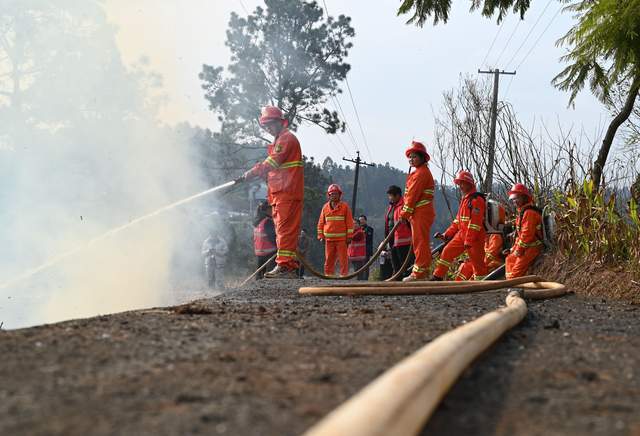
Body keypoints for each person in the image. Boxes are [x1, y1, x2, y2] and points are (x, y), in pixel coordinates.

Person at [241, 106, 303, 278]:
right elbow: (272, 169)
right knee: (282, 231)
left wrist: (253, 172)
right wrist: (258, 173)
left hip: (287, 192)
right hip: (279, 193)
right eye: (265, 125)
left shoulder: (286, 139)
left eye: (269, 124)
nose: (267, 128)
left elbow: (273, 162)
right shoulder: (278, 140)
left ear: (279, 121)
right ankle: (286, 266)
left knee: (285, 230)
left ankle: (286, 267)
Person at [432, 171, 487, 281]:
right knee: (447, 252)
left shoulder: (477, 200)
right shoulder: (465, 200)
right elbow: (457, 222)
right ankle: (437, 277)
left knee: (478, 265)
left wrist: (469, 240)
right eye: (459, 183)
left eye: (463, 183)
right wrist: (446, 234)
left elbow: (475, 224)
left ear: (469, 183)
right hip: (462, 235)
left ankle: (482, 286)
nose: (460, 186)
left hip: (475, 238)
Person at [399, 141, 436, 281]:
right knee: (420, 242)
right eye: (410, 157)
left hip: (421, 212)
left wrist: (404, 213)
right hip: (419, 213)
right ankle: (423, 272)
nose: (411, 159)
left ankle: (419, 273)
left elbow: (412, 195)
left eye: (414, 156)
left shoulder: (421, 174)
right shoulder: (418, 173)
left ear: (422, 157)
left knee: (420, 243)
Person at [455, 203, 506, 281]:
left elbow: (491, 255)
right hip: (486, 262)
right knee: (465, 266)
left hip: (494, 263)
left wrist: (479, 263)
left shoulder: (495, 235)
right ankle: (457, 285)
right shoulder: (487, 234)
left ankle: (468, 286)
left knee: (473, 268)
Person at [505, 183, 544, 278]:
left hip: (532, 248)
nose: (514, 201)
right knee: (509, 259)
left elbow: (527, 235)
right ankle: (510, 285)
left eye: (517, 198)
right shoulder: (522, 212)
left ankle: (514, 287)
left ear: (524, 197)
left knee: (514, 275)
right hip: (526, 248)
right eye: (513, 199)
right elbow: (520, 236)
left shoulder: (529, 213)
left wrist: (519, 250)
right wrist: (513, 249)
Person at [317, 184, 354, 277]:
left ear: (339, 195)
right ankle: (329, 275)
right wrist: (320, 236)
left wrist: (349, 237)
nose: (334, 195)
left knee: (343, 259)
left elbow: (350, 223)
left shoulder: (345, 207)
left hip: (341, 239)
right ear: (329, 195)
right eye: (332, 194)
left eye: (336, 194)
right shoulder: (325, 208)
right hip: (328, 240)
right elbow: (321, 223)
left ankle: (344, 275)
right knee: (329, 259)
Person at [385, 185, 413, 280]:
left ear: (397, 196)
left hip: (405, 242)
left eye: (391, 196)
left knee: (405, 265)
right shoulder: (392, 207)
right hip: (394, 241)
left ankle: (405, 283)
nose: (390, 198)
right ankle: (397, 281)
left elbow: (410, 223)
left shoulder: (404, 206)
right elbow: (389, 223)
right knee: (395, 264)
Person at [253, 201, 277, 279]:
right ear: (267, 210)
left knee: (260, 274)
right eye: (272, 208)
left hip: (260, 252)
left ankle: (257, 284)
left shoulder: (258, 221)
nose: (274, 210)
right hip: (270, 252)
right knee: (271, 274)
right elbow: (272, 237)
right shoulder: (268, 221)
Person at [358, 215, 374, 280]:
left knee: (365, 266)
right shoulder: (357, 229)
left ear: (365, 220)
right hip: (358, 251)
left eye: (362, 220)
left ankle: (365, 280)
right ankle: (359, 279)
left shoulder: (369, 229)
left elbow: (368, 238)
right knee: (359, 266)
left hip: (366, 251)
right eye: (360, 220)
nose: (361, 221)